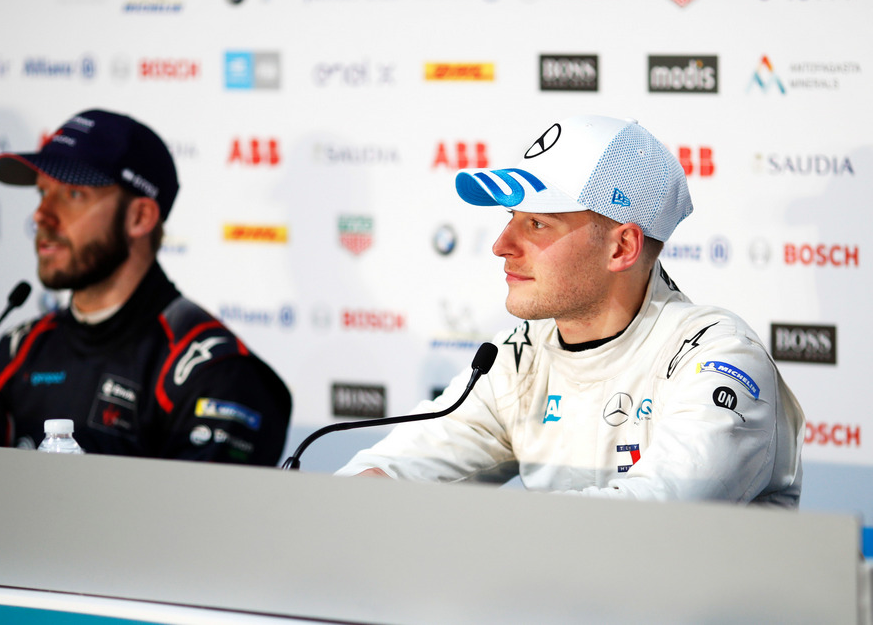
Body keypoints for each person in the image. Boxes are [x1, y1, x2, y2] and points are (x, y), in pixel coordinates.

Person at [338, 114, 804, 506]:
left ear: (621, 247)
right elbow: (387, 469)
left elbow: (656, 519)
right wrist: (370, 489)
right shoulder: (518, 358)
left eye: (537, 223)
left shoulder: (718, 354)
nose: (501, 245)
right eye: (511, 218)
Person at [0, 109, 292, 465]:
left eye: (73, 194)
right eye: (42, 192)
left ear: (140, 217)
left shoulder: (215, 373)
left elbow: (205, 504)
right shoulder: (18, 352)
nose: (41, 214)